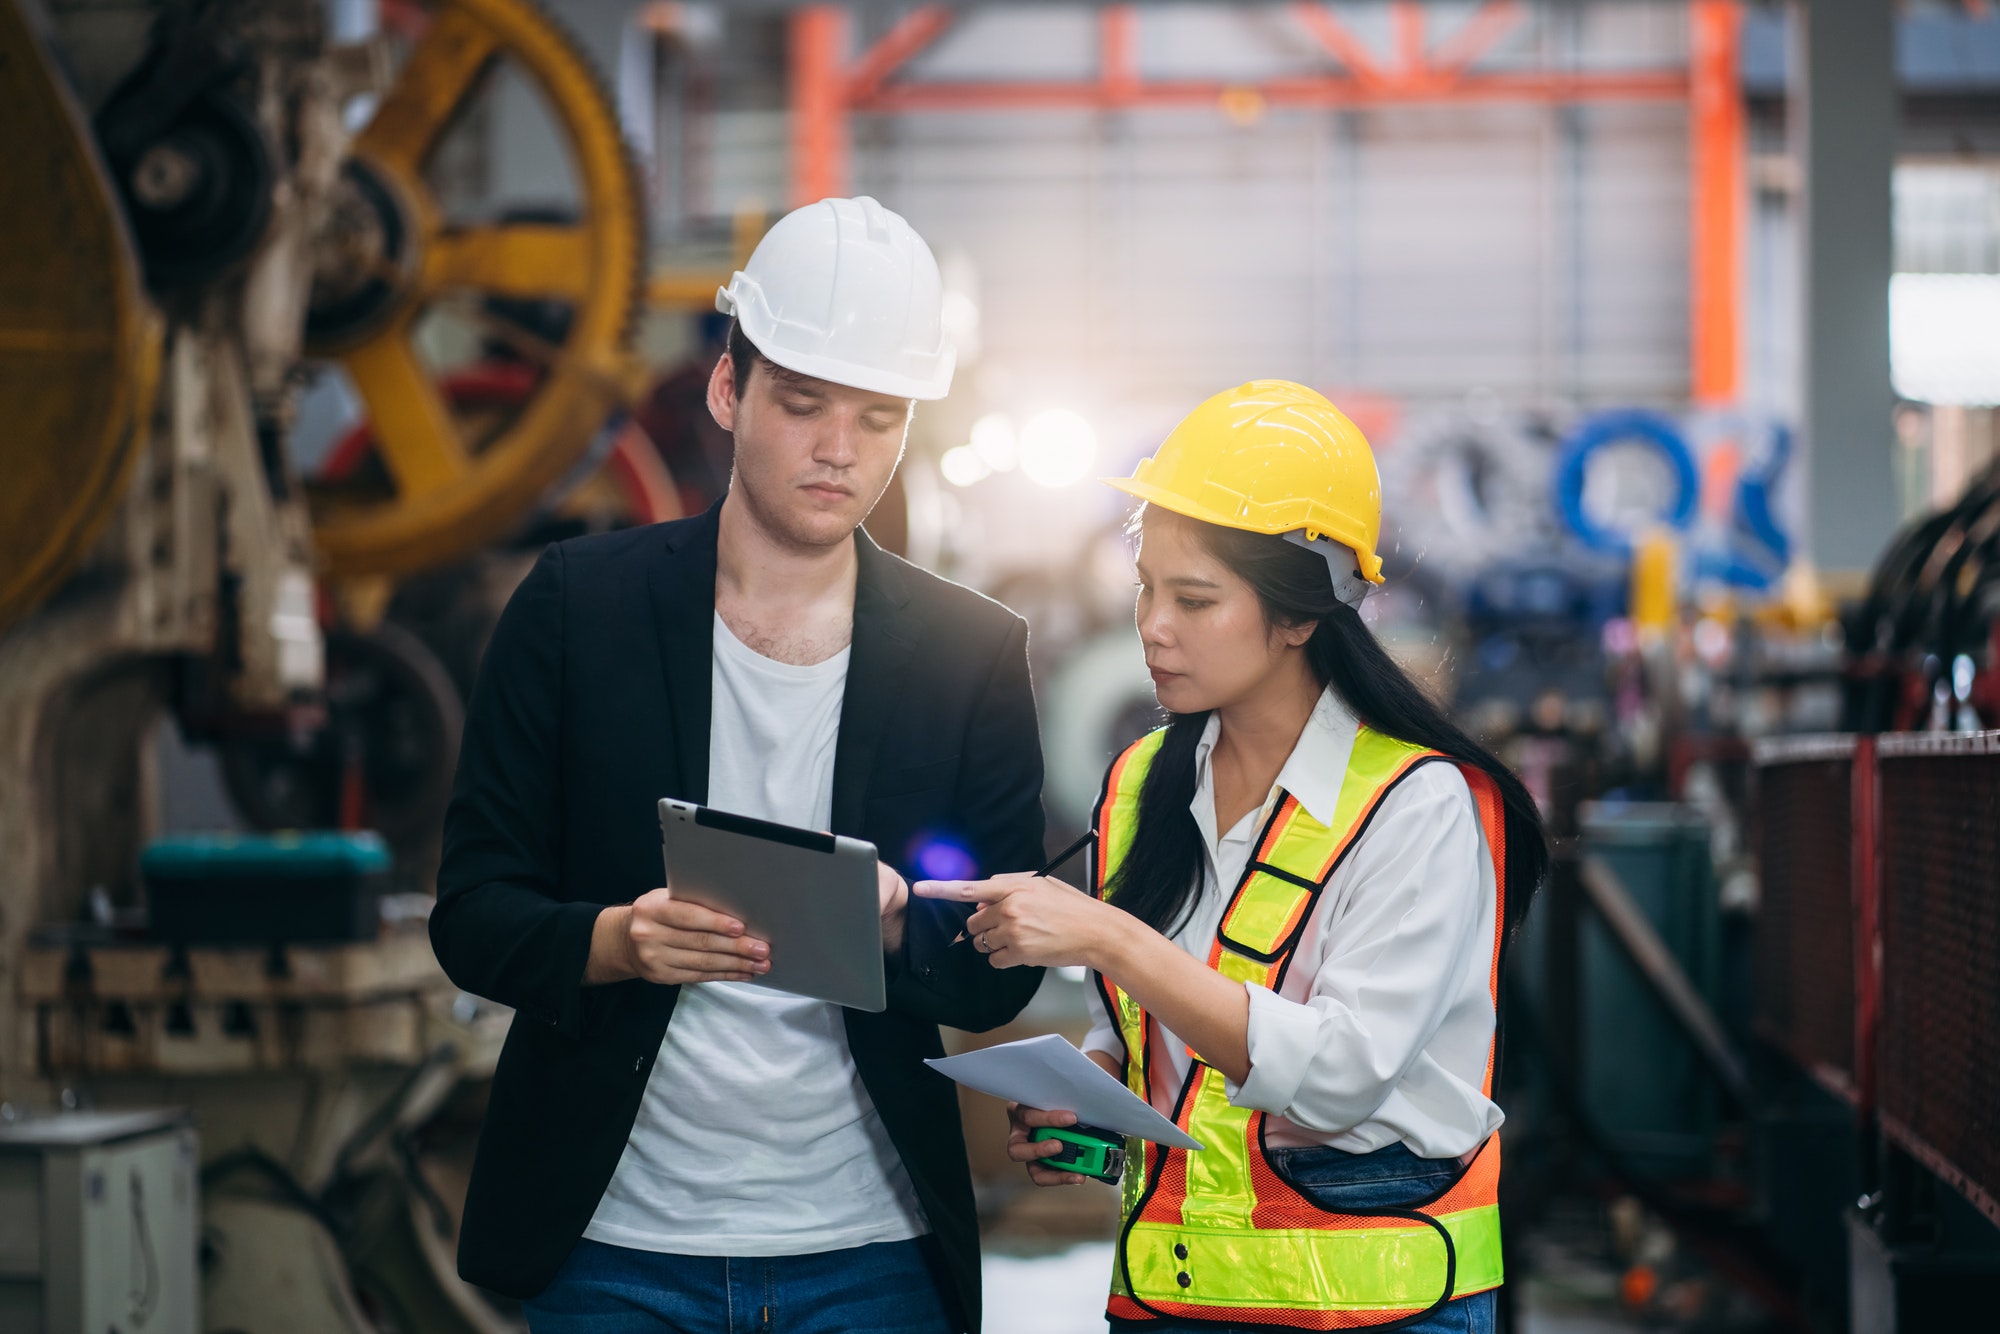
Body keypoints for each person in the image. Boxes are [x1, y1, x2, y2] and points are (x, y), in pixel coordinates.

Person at [431, 196, 1046, 1334]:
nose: (836, 449)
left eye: (875, 417)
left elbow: (999, 972)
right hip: (615, 1244)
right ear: (728, 390)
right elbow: (471, 911)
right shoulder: (576, 609)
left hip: (869, 1250)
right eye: (802, 404)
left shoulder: (970, 651)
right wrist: (617, 941)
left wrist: (908, 922)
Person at [915, 381, 1549, 1332]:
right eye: (1144, 585)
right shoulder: (1141, 783)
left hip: (1382, 1308)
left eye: (1194, 598)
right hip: (1174, 1295)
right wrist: (1092, 1109)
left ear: (1301, 616)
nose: (1151, 624)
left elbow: (1341, 1075)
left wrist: (1113, 940)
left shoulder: (1416, 808)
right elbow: (1144, 1039)